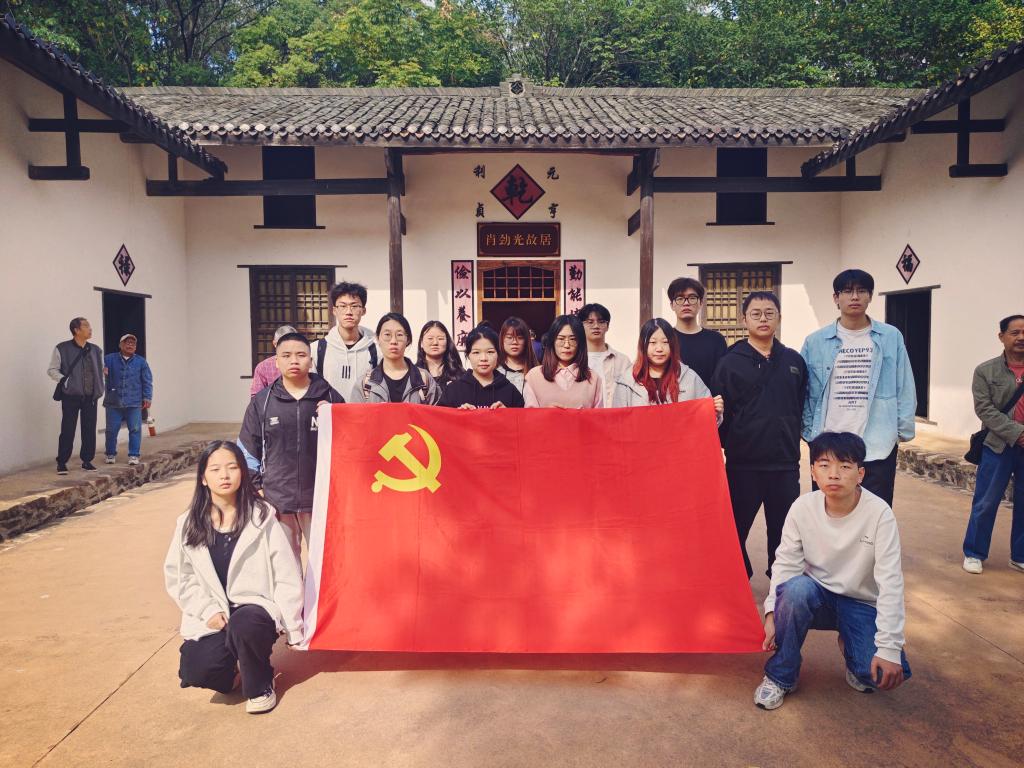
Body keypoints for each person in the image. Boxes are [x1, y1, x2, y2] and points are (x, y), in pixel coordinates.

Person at [754, 432, 911, 711]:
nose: (834, 474)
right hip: (816, 597)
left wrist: (889, 648)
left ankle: (851, 645)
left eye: (845, 466)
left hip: (861, 603)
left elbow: (890, 583)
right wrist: (771, 613)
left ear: (860, 474)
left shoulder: (879, 514)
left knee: (879, 675)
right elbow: (785, 564)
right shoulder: (803, 508)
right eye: (824, 465)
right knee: (795, 589)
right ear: (813, 472)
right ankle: (781, 676)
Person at [164, 441, 302, 715]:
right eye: (215, 469)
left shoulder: (262, 518)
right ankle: (234, 671)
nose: (224, 475)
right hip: (215, 614)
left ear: (242, 473)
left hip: (254, 611)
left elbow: (286, 573)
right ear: (203, 478)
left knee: (245, 623)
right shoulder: (189, 523)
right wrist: (207, 610)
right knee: (196, 669)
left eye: (232, 467)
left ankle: (260, 685)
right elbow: (180, 577)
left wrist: (293, 626)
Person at [711, 292, 806, 579]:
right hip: (743, 465)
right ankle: (739, 579)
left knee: (785, 533)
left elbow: (801, 404)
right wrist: (734, 442)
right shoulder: (730, 362)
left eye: (769, 312)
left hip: (784, 464)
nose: (763, 318)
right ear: (744, 319)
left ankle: (781, 586)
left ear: (779, 317)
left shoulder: (793, 360)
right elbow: (719, 413)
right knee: (733, 530)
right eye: (756, 313)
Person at [801, 269, 916, 507]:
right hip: (828, 440)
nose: (855, 297)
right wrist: (809, 433)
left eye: (861, 291)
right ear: (836, 298)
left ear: (870, 296)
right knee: (827, 509)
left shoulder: (890, 337)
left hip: (877, 441)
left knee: (875, 509)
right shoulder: (816, 341)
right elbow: (805, 390)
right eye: (847, 291)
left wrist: (901, 430)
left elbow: (904, 383)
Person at [239, 333, 343, 563]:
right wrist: (258, 487)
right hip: (278, 498)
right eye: (286, 355)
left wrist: (336, 415)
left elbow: (348, 443)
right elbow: (247, 448)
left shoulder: (329, 397)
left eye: (301, 355)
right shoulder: (262, 402)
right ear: (276, 362)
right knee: (285, 563)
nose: (294, 360)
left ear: (311, 361)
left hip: (319, 497)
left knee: (323, 560)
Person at [962, 314, 1024, 575]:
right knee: (986, 501)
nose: (1021, 337)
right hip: (997, 445)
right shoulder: (985, 371)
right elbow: (984, 409)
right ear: (1001, 336)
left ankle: (1020, 555)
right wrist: (1018, 433)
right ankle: (974, 552)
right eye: (1015, 332)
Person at [612, 318, 724, 421]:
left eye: (665, 342)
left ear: (673, 345)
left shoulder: (690, 378)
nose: (659, 348)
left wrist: (715, 413)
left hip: (680, 438)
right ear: (643, 346)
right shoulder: (627, 382)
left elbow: (705, 422)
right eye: (653, 342)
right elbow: (617, 424)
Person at [48, 317, 104, 474]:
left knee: (89, 429)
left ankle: (87, 461)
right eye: (86, 326)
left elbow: (100, 370)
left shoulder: (96, 350)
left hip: (90, 397)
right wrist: (65, 381)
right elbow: (52, 370)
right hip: (70, 396)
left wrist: (100, 386)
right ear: (76, 330)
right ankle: (62, 462)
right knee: (68, 429)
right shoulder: (62, 348)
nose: (90, 328)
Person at [312, 282, 378, 403]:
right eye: (343, 306)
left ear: (363, 310)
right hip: (331, 413)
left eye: (354, 306)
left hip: (364, 413)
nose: (349, 312)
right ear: (334, 310)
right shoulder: (317, 349)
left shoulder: (376, 350)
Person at [360, 313, 441, 404]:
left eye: (399, 335)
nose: (393, 341)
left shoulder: (424, 380)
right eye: (387, 335)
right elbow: (354, 413)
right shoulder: (365, 383)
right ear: (378, 339)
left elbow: (438, 412)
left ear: (408, 340)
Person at [523, 315, 603, 409]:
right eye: (561, 339)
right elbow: (528, 416)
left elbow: (599, 416)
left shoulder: (593, 378)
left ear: (580, 343)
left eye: (572, 339)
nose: (566, 345)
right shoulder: (534, 376)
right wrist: (546, 413)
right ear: (552, 342)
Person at [440, 325, 525, 409]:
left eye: (490, 352)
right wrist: (457, 415)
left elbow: (522, 417)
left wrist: (507, 414)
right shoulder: (452, 391)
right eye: (476, 352)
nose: (483, 358)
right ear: (468, 355)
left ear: (498, 354)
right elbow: (439, 416)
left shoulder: (511, 391)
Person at [667, 277, 728, 390]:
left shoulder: (716, 340)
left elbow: (723, 379)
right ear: (672, 305)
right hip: (673, 400)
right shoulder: (666, 339)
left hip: (709, 400)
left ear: (701, 303)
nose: (686, 303)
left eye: (692, 298)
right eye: (680, 298)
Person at [102, 333, 153, 466]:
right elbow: (99, 372)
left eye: (133, 343)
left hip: (134, 401)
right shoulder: (109, 359)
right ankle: (110, 453)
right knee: (111, 430)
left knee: (135, 429)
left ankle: (134, 455)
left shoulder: (141, 362)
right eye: (127, 342)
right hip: (113, 401)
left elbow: (147, 380)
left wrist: (147, 397)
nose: (130, 345)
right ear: (120, 345)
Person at [577, 303, 631, 408]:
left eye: (601, 322)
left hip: (615, 415)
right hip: (584, 416)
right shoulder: (575, 360)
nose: (596, 326)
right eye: (590, 322)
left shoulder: (622, 361)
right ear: (581, 326)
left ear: (607, 326)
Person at [249, 325, 297, 397]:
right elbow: (256, 397)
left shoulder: (304, 363)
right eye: (283, 344)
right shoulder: (263, 367)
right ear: (275, 344)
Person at [496, 316, 539, 395]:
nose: (515, 342)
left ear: (526, 341)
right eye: (509, 337)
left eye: (520, 338)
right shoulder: (494, 370)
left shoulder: (536, 372)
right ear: (502, 339)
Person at [416, 320, 464, 389]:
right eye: (430, 338)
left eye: (440, 338)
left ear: (447, 343)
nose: (435, 343)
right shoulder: (413, 373)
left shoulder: (459, 373)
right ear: (421, 343)